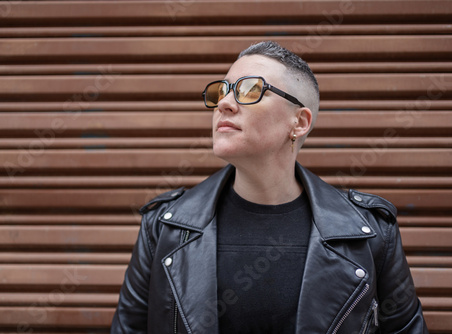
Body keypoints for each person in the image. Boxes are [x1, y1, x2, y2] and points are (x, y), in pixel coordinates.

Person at [110, 41, 428, 334]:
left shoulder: (370, 233)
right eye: (223, 91)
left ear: (299, 122)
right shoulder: (166, 226)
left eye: (250, 89)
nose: (224, 103)